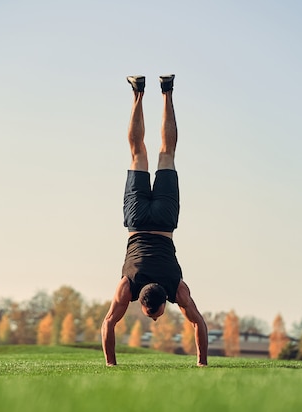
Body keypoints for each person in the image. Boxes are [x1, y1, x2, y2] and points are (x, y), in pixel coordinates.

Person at [101, 74, 208, 367]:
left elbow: (199, 323)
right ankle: (140, 92)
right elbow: (107, 324)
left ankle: (165, 91)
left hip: (164, 223)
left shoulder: (175, 286)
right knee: (138, 154)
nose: (157, 318)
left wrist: (203, 362)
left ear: (162, 300)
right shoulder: (129, 285)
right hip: (136, 221)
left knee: (165, 154)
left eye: (154, 314)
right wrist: (201, 363)